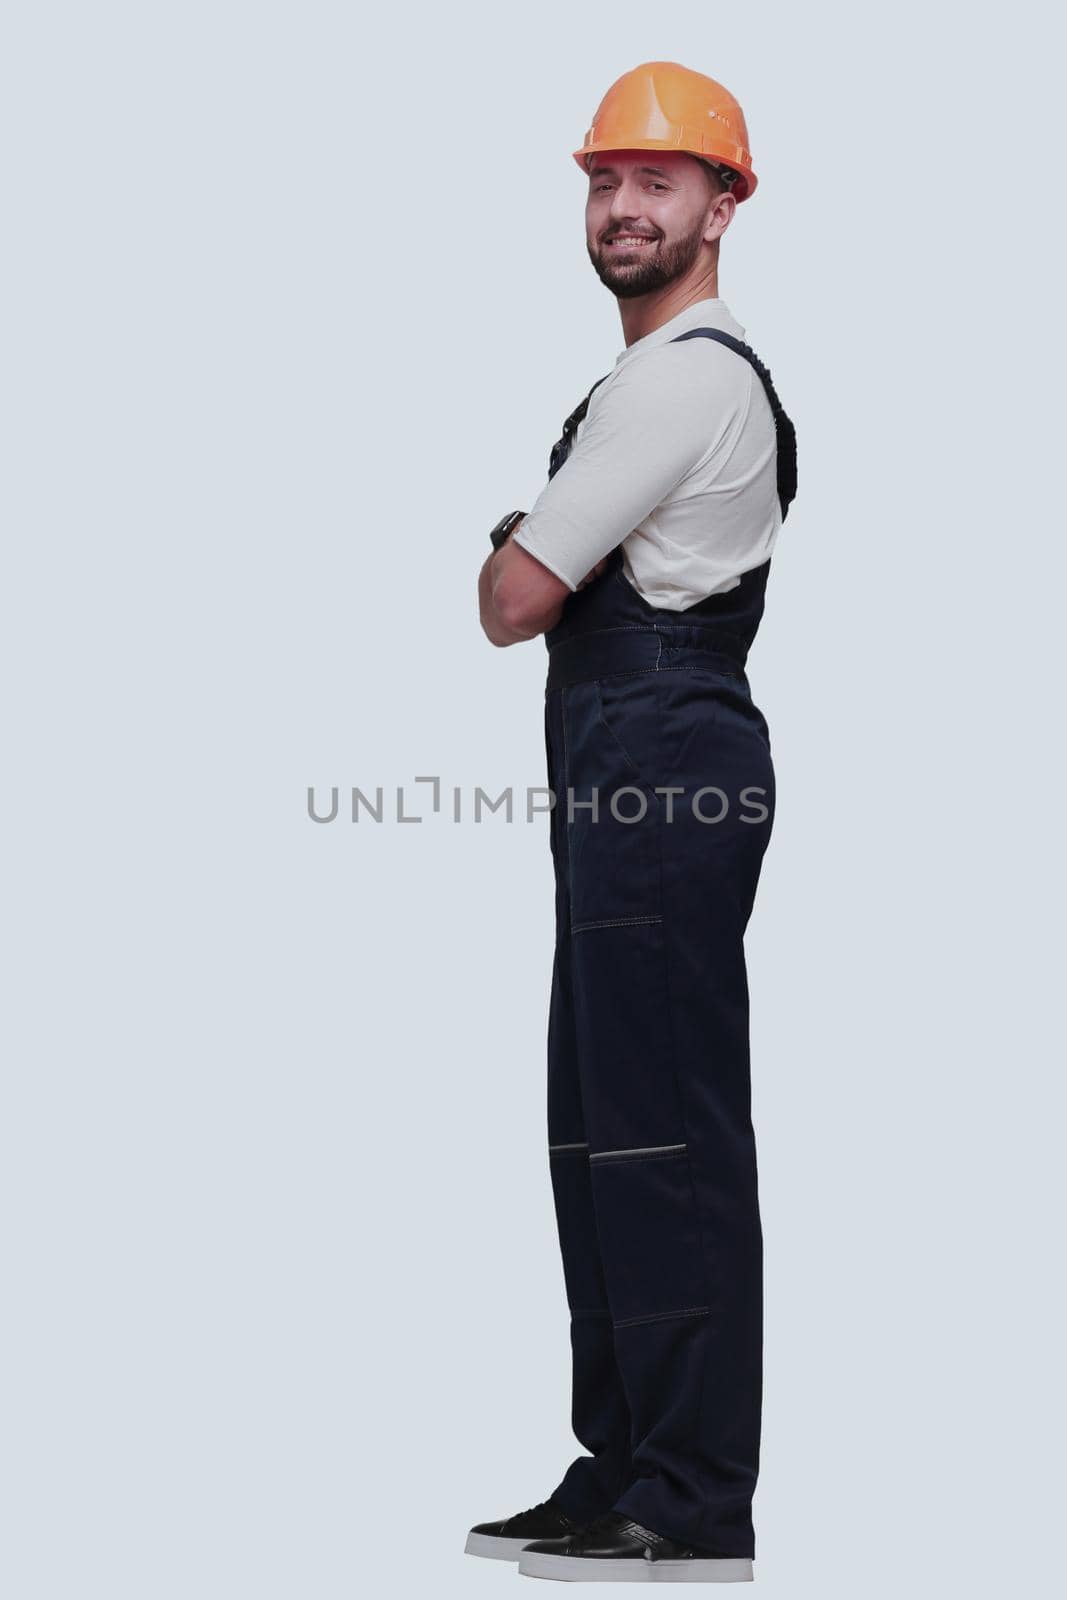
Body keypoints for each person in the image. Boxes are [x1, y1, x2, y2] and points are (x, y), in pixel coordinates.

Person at [467, 60, 797, 1583]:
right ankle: (621, 1463)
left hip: (662, 751)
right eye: (606, 181)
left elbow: (513, 597)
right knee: (601, 1128)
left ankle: (691, 1492)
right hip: (626, 761)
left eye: (659, 182)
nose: (623, 207)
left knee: (666, 1133)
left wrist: (514, 547)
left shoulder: (687, 377)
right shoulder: (639, 385)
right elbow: (539, 594)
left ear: (723, 207)